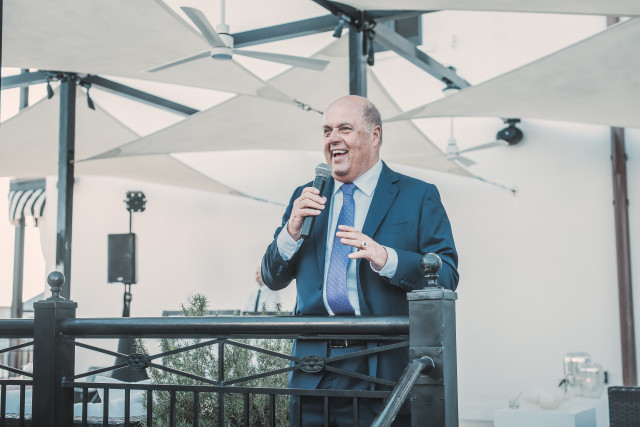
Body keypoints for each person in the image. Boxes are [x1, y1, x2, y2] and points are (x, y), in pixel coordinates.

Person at [261, 95, 458, 426]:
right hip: (313, 369)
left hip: (384, 367)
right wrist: (291, 231)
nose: (332, 138)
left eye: (344, 129)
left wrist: (387, 258)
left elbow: (447, 275)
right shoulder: (306, 196)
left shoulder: (418, 196)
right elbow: (272, 277)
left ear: (374, 135)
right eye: (327, 131)